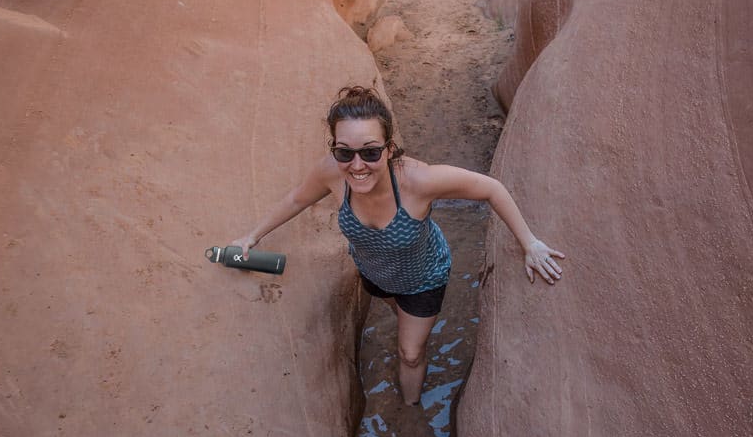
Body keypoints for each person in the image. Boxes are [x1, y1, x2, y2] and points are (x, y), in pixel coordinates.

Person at [232, 86, 564, 406]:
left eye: (370, 152)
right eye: (344, 151)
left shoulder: (419, 181)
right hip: (375, 274)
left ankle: (409, 407)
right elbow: (295, 199)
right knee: (398, 314)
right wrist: (252, 236)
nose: (357, 165)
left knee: (410, 352)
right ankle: (408, 327)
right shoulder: (331, 173)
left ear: (389, 149)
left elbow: (491, 188)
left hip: (424, 279)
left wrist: (530, 243)